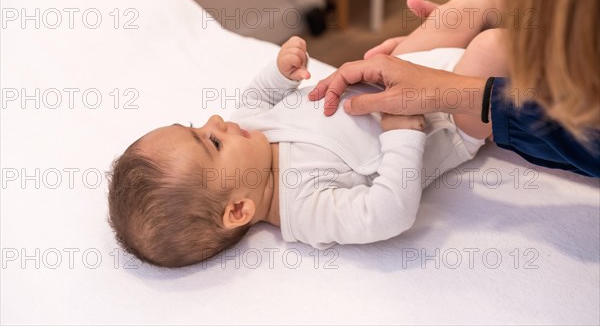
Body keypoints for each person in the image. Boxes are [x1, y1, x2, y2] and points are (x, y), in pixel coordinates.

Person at [108, 33, 498, 268]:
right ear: (239, 209)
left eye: (196, 125)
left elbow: (259, 94)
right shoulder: (303, 208)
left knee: (460, 15)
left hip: (400, 69)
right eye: (211, 141)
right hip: (449, 117)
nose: (215, 120)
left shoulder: (249, 129)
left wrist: (280, 70)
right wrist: (403, 134)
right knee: (491, 46)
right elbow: (385, 214)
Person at [309, 0, 599, 178]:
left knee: (492, 44)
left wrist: (463, 93)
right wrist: (438, 56)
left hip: (437, 124)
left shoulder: (298, 191)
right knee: (478, 11)